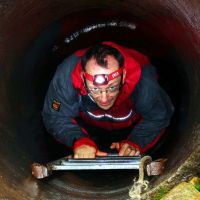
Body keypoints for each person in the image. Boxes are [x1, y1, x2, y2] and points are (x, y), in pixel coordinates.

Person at [42, 41, 174, 158]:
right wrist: (79, 140)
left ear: (123, 77)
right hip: (87, 125)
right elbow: (55, 116)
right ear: (83, 78)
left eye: (112, 88)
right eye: (95, 89)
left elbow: (159, 115)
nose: (104, 98)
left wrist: (137, 141)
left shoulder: (143, 83)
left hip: (132, 124)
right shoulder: (66, 78)